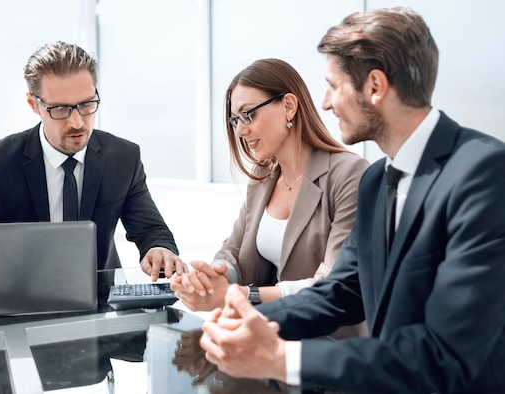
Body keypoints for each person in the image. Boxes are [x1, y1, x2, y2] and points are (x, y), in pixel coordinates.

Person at [200, 7, 505, 393]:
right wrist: (247, 322)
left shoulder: (484, 173)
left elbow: (445, 353)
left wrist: (281, 358)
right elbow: (342, 291)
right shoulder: (377, 180)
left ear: (374, 86)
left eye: (334, 85)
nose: (325, 103)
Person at [0, 41, 184, 280]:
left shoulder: (123, 157)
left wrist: (159, 248)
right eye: (60, 109)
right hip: (15, 305)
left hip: (99, 304)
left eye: (87, 105)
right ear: (34, 104)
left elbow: (151, 230)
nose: (77, 122)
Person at [170, 59, 368, 326]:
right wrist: (216, 276)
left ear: (288, 107)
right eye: (234, 119)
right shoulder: (263, 180)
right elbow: (234, 250)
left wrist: (241, 295)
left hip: (329, 345)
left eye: (248, 114)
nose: (240, 130)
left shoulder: (349, 174)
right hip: (269, 338)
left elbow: (333, 283)